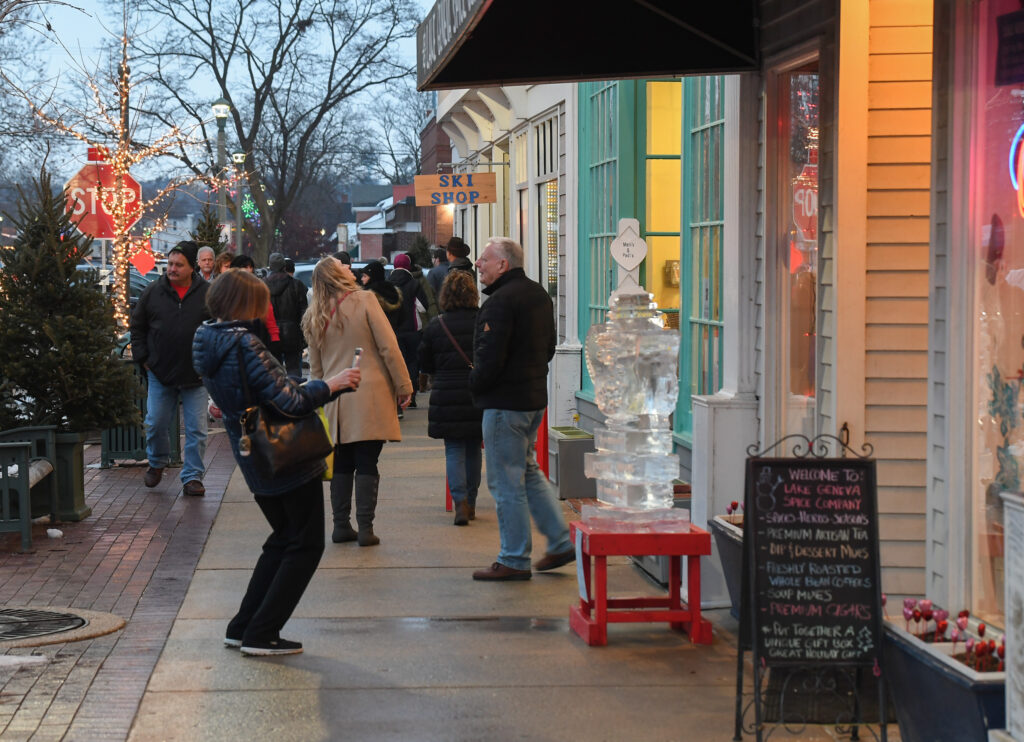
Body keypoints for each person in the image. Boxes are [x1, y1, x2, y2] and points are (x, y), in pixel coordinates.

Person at [192, 268, 360, 656]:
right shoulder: (246, 344)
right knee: (305, 544)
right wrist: (333, 384)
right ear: (246, 303)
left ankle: (244, 626)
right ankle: (262, 632)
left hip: (253, 452)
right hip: (286, 455)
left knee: (283, 538)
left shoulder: (206, 338)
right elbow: (291, 401)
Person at [469, 237, 573, 581]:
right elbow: (548, 347)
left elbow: (489, 357)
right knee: (528, 471)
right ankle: (559, 541)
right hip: (531, 401)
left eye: (484, 259)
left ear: (503, 264)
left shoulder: (500, 302)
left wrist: (475, 385)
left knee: (506, 483)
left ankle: (513, 558)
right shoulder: (538, 295)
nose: (478, 265)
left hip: (504, 405)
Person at [303, 257, 413, 546]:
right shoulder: (365, 300)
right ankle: (366, 528)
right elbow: (388, 345)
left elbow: (315, 369)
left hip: (335, 398)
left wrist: (318, 400)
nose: (349, 268)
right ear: (336, 275)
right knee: (367, 460)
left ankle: (341, 525)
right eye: (343, 266)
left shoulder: (314, 314)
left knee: (341, 462)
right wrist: (403, 385)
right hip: (369, 393)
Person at [129, 240, 211, 497]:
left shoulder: (207, 293)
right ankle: (156, 462)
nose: (172, 269)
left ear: (191, 268)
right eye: (170, 264)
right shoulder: (153, 292)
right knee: (155, 423)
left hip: (195, 374)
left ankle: (192, 477)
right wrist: (143, 358)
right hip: (160, 373)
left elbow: (218, 326)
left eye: (178, 265)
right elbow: (137, 326)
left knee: (197, 429)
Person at [417, 270, 482, 526]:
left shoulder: (437, 325)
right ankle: (473, 501)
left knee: (454, 449)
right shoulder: (481, 321)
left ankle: (460, 503)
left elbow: (425, 362)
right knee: (474, 448)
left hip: (446, 392)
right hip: (476, 392)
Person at [388, 253, 431, 410]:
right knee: (412, 362)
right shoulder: (414, 284)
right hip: (413, 329)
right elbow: (422, 307)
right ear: (408, 266)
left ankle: (397, 396)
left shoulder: (388, 284)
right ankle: (411, 396)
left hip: (393, 331)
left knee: (396, 363)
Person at [265, 252, 308, 377]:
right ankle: (295, 394)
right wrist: (304, 335)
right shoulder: (296, 285)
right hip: (293, 333)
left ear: (270, 267)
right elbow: (304, 311)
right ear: (284, 266)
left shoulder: (262, 285)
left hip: (270, 334)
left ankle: (279, 395)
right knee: (294, 370)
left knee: (275, 373)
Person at [231, 254, 280, 347]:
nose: (249, 270)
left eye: (251, 267)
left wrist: (274, 335)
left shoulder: (258, 287)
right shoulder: (230, 288)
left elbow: (268, 312)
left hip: (257, 334)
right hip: (234, 336)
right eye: (245, 267)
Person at [360, 260, 402, 331]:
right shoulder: (393, 292)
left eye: (365, 276)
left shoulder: (368, 296)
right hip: (393, 335)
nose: (362, 279)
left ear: (373, 277)